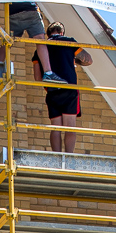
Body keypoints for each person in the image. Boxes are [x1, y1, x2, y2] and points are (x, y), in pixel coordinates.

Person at [32, 20, 93, 152]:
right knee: (70, 126)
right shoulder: (69, 42)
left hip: (52, 91)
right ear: (62, 32)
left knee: (56, 127)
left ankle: (57, 157)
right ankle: (68, 157)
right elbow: (88, 60)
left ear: (48, 34)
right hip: (69, 89)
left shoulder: (40, 50)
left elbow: (37, 78)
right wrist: (73, 60)